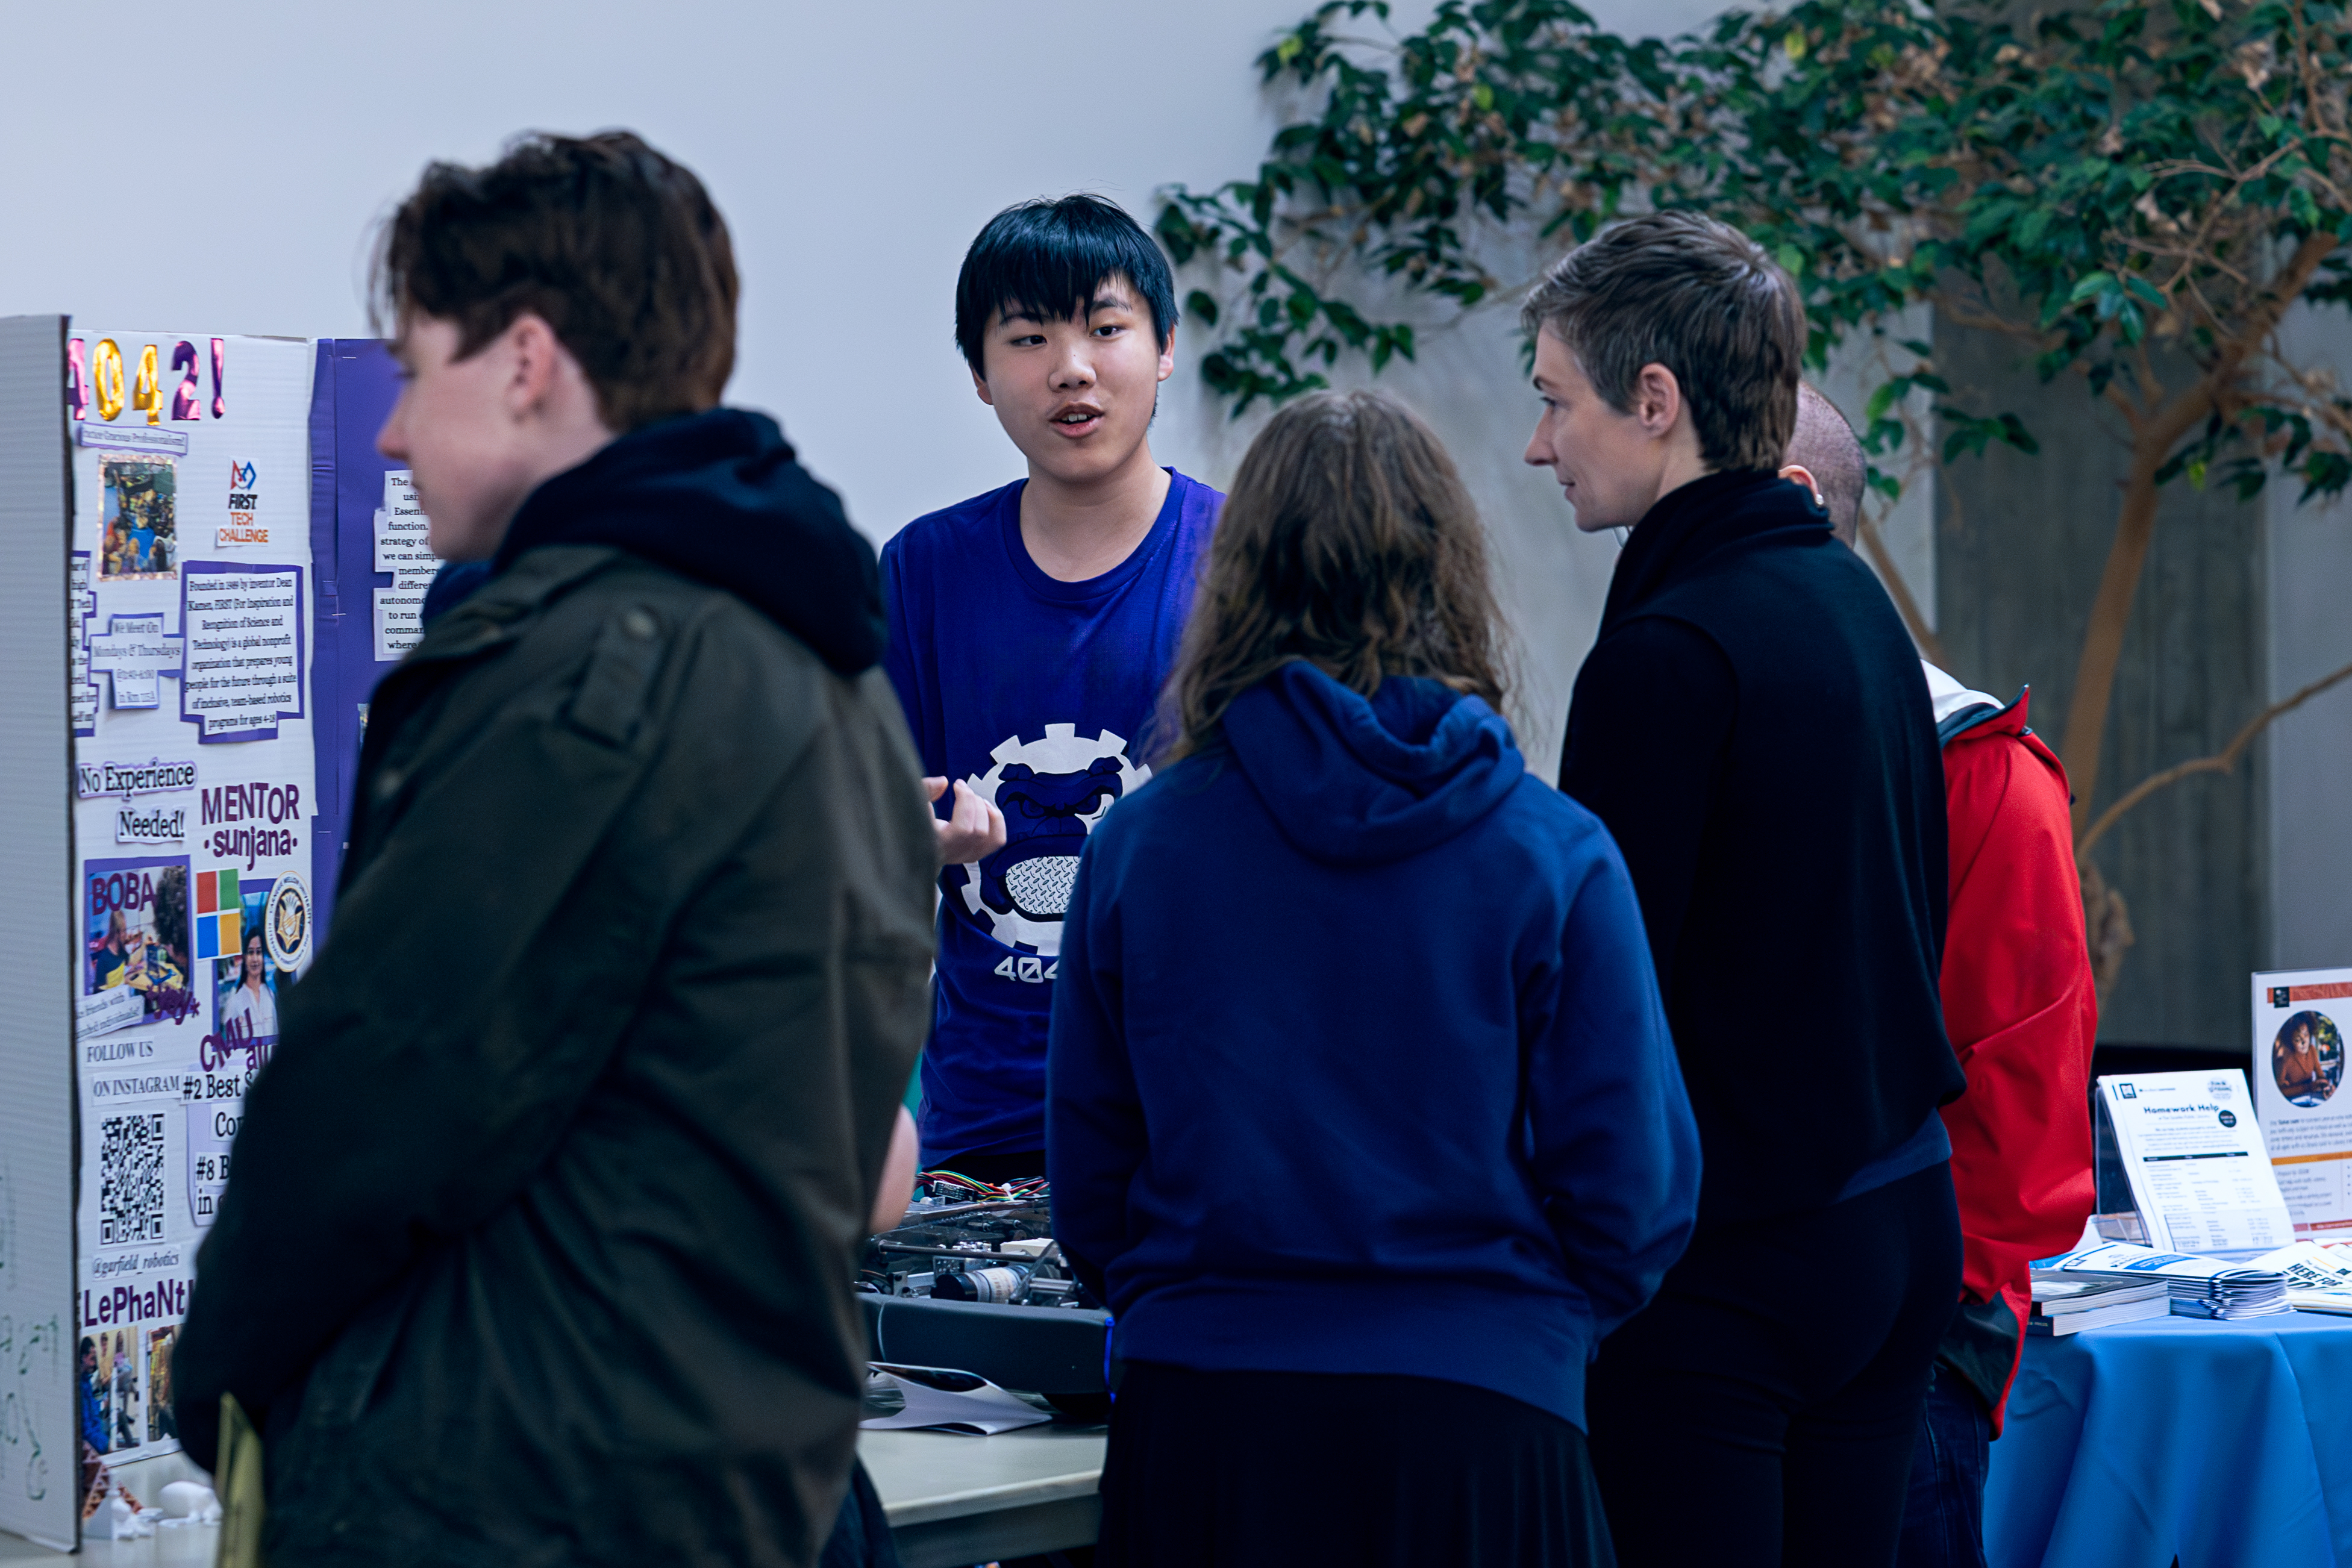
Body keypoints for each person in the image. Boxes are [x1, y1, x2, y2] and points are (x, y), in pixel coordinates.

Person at [172, 132, 937, 1568]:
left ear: (525, 358)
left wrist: (210, 1385)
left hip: (526, 1484)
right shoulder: (815, 658)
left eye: (414, 370)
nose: (391, 432)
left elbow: (377, 1090)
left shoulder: (588, 671)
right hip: (724, 1457)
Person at [1051, 389, 1701, 1568]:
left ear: (1236, 576)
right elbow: (1635, 1194)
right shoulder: (1549, 851)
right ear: (1448, 571)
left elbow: (1089, 1186)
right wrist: (1513, 1322)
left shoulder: (1138, 847)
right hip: (1481, 1428)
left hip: (1206, 1423)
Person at [1526, 210, 1966, 1568]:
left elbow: (1599, 1010)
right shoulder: (1851, 602)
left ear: (1652, 403)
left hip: (1738, 1264)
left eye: (1556, 401)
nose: (1540, 443)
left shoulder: (1665, 654)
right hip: (1899, 1223)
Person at [1779, 384, 2098, 1568]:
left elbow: (2021, 1132)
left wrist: (1913, 1316)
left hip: (1903, 1360)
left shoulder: (1975, 773)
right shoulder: (1685, 723)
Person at [882, 194, 1221, 1182]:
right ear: (981, 377)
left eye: (1105, 328)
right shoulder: (921, 570)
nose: (1069, 367)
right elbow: (854, 828)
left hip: (1195, 1111)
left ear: (1162, 346)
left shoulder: (1245, 561)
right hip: (983, 1124)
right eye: (1027, 337)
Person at [216, 926, 277, 1040]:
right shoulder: (235, 997)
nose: (255, 959)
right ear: (244, 957)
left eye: (258, 952)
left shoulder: (270, 995)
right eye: (250, 953)